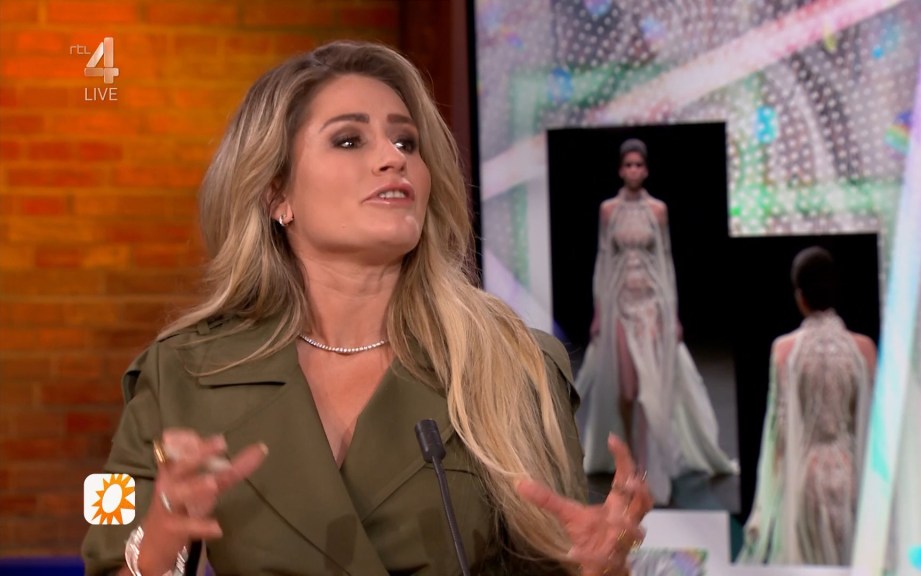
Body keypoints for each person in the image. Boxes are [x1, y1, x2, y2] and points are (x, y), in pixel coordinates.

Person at [81, 41, 653, 576]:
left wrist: (596, 566)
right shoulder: (173, 370)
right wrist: (156, 543)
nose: (391, 158)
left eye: (406, 142)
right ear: (277, 193)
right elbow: (104, 537)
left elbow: (558, 554)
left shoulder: (519, 363)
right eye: (350, 140)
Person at [573, 138, 737, 507]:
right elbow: (603, 261)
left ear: (645, 170)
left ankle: (644, 467)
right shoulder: (608, 211)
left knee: (649, 390)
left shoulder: (658, 211)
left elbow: (666, 263)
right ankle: (628, 457)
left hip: (651, 306)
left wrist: (672, 315)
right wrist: (599, 312)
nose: (633, 170)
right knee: (626, 391)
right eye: (627, 165)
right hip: (618, 305)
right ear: (621, 170)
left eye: (638, 165)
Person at [738, 246, 876, 565]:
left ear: (800, 297)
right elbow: (869, 428)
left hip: (806, 477)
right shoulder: (865, 349)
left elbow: (779, 434)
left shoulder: (783, 350)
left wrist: (769, 505)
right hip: (850, 476)